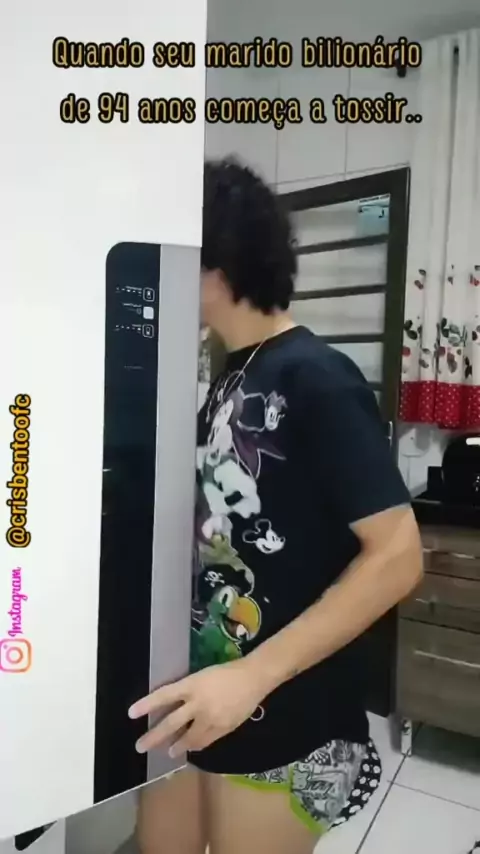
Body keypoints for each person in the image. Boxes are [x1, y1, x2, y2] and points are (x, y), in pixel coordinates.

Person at [129, 157, 423, 854]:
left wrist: (252, 675)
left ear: (214, 267)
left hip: (287, 713)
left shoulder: (316, 377)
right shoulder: (229, 375)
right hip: (205, 693)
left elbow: (399, 555)